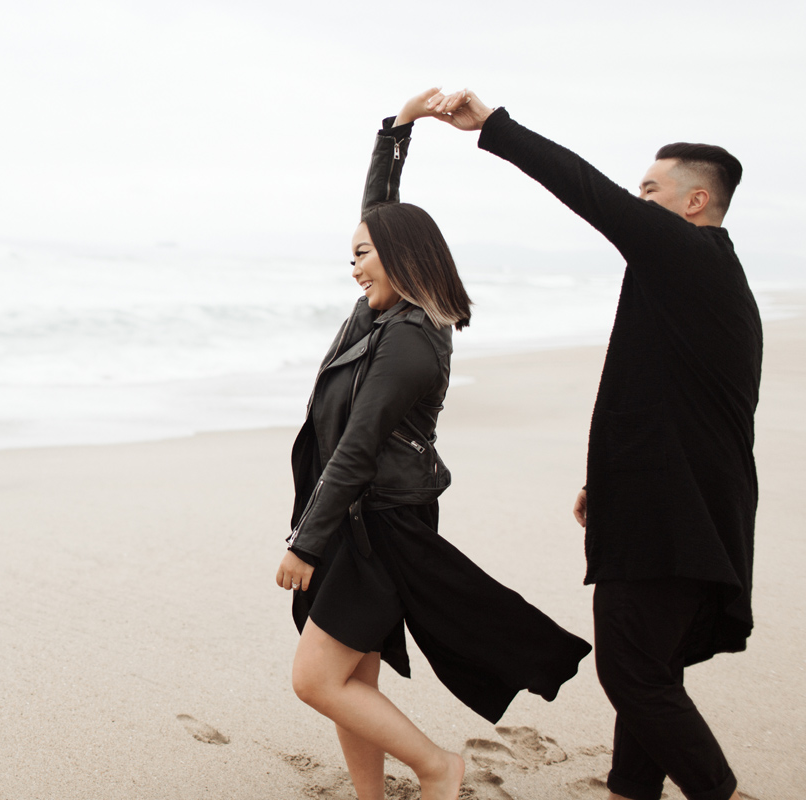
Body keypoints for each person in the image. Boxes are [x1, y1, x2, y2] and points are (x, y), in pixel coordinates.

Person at [424, 88, 760, 800]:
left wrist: (495, 127)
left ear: (694, 203)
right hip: (681, 501)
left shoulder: (688, 257)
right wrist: (603, 480)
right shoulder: (702, 279)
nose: (638, 203)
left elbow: (587, 192)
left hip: (671, 512)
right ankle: (628, 790)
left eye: (651, 191)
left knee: (632, 674)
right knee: (651, 671)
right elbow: (660, 398)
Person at [275, 88, 592, 800]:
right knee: (352, 676)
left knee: (316, 678)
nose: (353, 267)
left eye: (362, 255)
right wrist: (397, 132)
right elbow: (379, 216)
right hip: (363, 517)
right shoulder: (380, 314)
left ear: (397, 256)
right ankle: (370, 794)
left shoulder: (409, 340)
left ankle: (437, 765)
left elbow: (358, 449)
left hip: (378, 525)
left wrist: (305, 544)